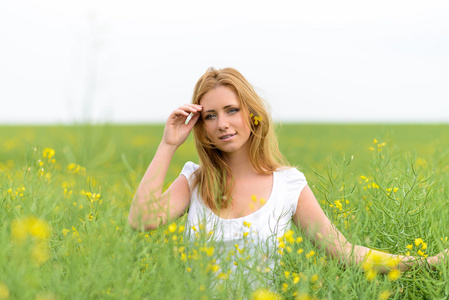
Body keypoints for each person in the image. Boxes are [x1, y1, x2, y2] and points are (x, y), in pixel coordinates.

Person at [128, 67, 445, 275]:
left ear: (252, 115)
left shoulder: (288, 185)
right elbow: (141, 220)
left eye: (231, 110)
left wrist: (427, 264)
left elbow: (346, 252)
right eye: (210, 116)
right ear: (202, 127)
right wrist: (169, 144)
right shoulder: (196, 181)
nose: (222, 123)